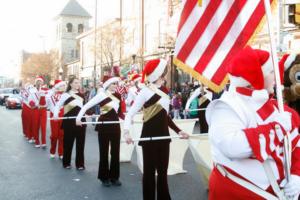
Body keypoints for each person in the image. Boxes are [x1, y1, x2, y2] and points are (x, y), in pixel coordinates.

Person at [206, 46, 300, 199]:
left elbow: (296, 145)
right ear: (255, 77)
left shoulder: (277, 107)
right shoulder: (227, 106)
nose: (276, 76)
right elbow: (232, 146)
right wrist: (277, 128)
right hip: (238, 192)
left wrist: (297, 175)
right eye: (271, 72)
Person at [123, 59, 189, 200]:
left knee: (162, 173)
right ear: (159, 75)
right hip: (149, 138)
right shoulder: (145, 92)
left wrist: (178, 131)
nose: (166, 76)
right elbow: (130, 114)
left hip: (164, 138)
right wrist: (126, 132)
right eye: (164, 73)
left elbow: (166, 117)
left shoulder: (165, 91)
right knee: (149, 173)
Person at [76, 76, 125, 187]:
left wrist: (127, 120)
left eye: (116, 84)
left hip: (115, 126)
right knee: (104, 152)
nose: (115, 86)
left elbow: (120, 112)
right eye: (113, 84)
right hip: (104, 126)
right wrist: (78, 118)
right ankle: (104, 177)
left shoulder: (118, 95)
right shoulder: (101, 95)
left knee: (115, 152)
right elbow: (86, 106)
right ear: (108, 85)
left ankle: (114, 177)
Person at [53, 77, 86, 170]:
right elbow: (58, 105)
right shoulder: (65, 95)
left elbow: (85, 108)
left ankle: (80, 164)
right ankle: (66, 162)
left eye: (78, 83)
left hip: (81, 122)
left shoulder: (82, 95)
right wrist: (55, 114)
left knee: (80, 144)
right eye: (75, 83)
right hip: (69, 122)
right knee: (68, 143)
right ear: (70, 84)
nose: (78, 84)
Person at [46, 80, 66, 159]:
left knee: (62, 135)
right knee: (54, 135)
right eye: (62, 86)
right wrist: (51, 93)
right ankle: (52, 151)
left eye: (64, 86)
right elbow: (46, 104)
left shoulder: (65, 95)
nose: (64, 87)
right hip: (53, 115)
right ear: (58, 86)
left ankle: (61, 152)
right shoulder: (50, 94)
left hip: (63, 115)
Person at [34, 76, 48, 148]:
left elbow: (49, 99)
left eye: (40, 81)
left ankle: (44, 142)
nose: (39, 83)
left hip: (43, 110)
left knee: (43, 127)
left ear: (42, 82)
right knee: (36, 126)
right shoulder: (32, 91)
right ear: (36, 82)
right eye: (38, 81)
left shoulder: (46, 89)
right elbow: (30, 99)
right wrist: (33, 104)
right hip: (36, 110)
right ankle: (37, 141)